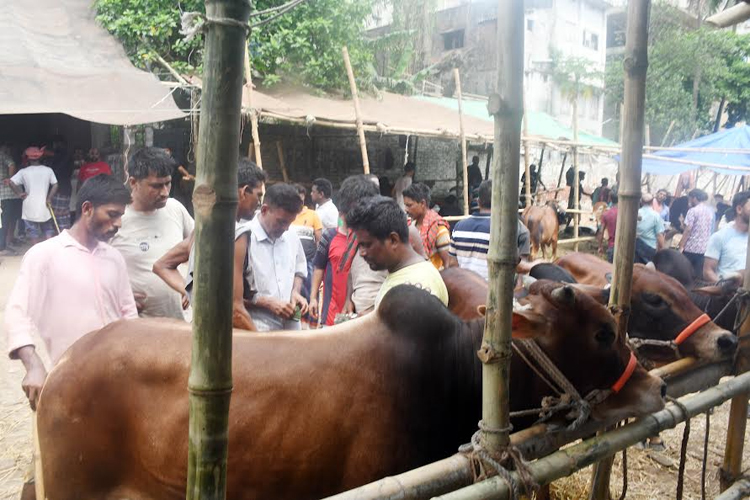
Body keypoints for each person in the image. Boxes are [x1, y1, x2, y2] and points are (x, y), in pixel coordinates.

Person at [5, 175, 137, 408]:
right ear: (87, 209)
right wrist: (33, 365)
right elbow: (17, 313)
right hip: (66, 379)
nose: (118, 224)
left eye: (121, 217)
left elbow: (129, 314)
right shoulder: (45, 255)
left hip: (117, 377)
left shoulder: (114, 257)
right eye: (112, 214)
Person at [154, 159, 267, 331]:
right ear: (244, 192)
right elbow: (235, 311)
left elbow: (161, 265)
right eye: (258, 195)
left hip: (199, 331)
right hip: (221, 336)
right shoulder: (236, 234)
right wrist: (262, 344)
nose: (259, 202)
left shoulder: (202, 229)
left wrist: (190, 291)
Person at [110, 147, 194, 319]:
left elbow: (199, 248)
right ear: (133, 182)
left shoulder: (175, 208)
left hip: (182, 323)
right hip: (140, 330)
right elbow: (92, 267)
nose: (164, 192)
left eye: (168, 183)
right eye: (156, 186)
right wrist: (115, 297)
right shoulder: (116, 219)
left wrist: (191, 285)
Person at [347, 195, 448, 308]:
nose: (362, 253)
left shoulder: (412, 288)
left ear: (393, 240)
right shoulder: (407, 276)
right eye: (360, 246)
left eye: (367, 245)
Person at [246, 183, 309, 331]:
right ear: (264, 210)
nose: (286, 228)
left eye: (290, 222)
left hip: (290, 328)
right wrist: (267, 303)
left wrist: (295, 292)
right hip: (255, 329)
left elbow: (299, 270)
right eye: (281, 222)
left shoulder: (291, 236)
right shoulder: (243, 239)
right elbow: (229, 296)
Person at [450, 179, 530, 280]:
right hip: (494, 293)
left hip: (464, 290)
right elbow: (520, 268)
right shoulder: (509, 227)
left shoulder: (458, 227)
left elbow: (452, 264)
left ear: (478, 202)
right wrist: (537, 263)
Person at [9, 147, 58, 244]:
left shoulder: (24, 172)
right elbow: (56, 184)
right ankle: (50, 252)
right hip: (44, 205)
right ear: (41, 157)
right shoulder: (48, 170)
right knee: (48, 231)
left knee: (33, 233)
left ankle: (36, 253)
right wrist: (49, 198)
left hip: (29, 206)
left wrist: (19, 194)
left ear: (28, 158)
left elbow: (11, 182)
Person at [308, 219, 352, 327]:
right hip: (331, 314)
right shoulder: (329, 236)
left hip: (355, 312)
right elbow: (319, 267)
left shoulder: (363, 239)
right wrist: (313, 298)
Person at [403, 182, 456, 270]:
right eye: (405, 205)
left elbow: (448, 263)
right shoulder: (411, 226)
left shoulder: (439, 229)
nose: (406, 209)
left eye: (409, 205)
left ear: (422, 203)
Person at [291, 184, 323, 317]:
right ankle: (296, 319)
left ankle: (312, 319)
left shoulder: (313, 215)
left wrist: (318, 261)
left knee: (311, 291)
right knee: (294, 291)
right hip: (292, 261)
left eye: (301, 196)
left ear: (303, 197)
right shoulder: (289, 215)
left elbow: (319, 240)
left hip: (309, 261)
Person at [704, 190, 750, 282]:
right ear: (739, 209)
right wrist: (723, 288)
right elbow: (708, 271)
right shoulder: (720, 237)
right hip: (731, 294)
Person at [678, 189, 714, 279]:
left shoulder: (693, 211)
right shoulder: (710, 211)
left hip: (691, 248)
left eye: (690, 198)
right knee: (697, 275)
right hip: (704, 249)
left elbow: (688, 229)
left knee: (685, 274)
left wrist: (681, 245)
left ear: (694, 198)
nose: (689, 201)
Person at [47, 136, 74, 231]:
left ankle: (64, 236)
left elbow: (56, 171)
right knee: (62, 214)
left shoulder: (62, 157)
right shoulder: (65, 157)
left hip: (60, 189)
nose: (53, 146)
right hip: (65, 188)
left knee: (59, 214)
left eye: (55, 144)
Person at [0, 145, 21, 255]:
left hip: (3, 195)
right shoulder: (2, 155)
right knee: (4, 221)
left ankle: (4, 244)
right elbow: (11, 164)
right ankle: (2, 247)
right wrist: (11, 179)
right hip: (5, 194)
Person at [635, 193, 665, 264]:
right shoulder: (656, 216)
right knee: (646, 271)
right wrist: (662, 248)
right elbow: (659, 235)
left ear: (641, 202)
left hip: (635, 244)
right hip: (649, 247)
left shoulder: (636, 213)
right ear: (652, 202)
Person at [598, 192, 619, 263]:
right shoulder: (625, 213)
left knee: (611, 270)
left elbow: (601, 231)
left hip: (612, 246)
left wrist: (600, 246)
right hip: (624, 247)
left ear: (610, 199)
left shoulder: (606, 214)